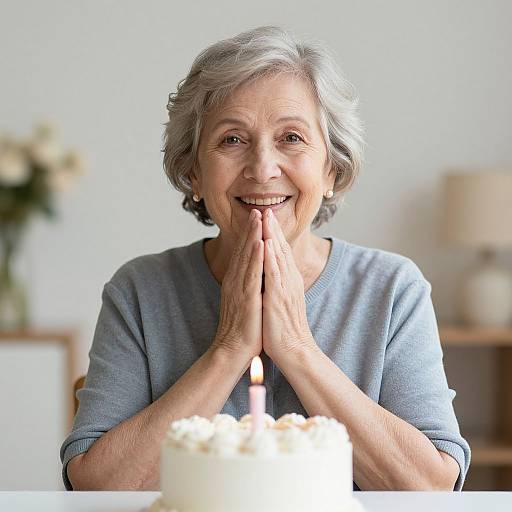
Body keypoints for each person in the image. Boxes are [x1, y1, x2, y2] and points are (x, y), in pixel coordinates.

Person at [60, 25, 470, 492]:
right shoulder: (140, 289)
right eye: (232, 140)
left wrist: (296, 346)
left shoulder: (392, 287)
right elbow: (96, 488)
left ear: (331, 168)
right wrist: (230, 346)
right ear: (194, 171)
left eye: (291, 138)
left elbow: (431, 488)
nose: (262, 168)